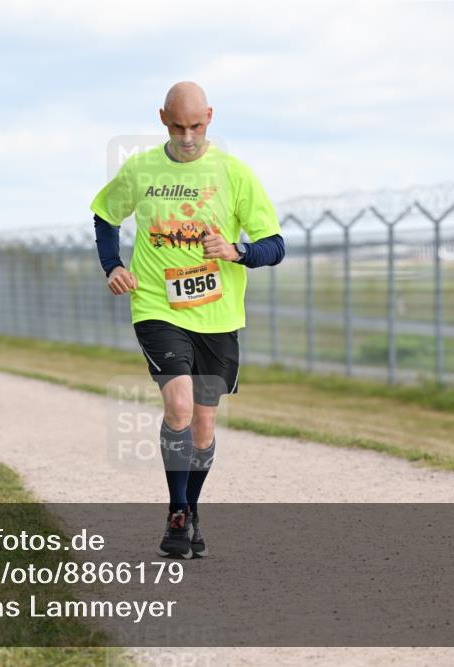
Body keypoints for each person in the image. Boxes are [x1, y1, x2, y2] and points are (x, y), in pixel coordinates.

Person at [90, 82, 285, 559]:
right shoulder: (140, 169)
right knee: (179, 405)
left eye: (196, 125)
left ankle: (191, 509)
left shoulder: (235, 174)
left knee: (203, 425)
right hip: (157, 305)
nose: (188, 136)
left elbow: (275, 246)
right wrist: (113, 264)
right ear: (163, 119)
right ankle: (177, 513)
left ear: (210, 118)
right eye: (178, 126)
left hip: (218, 315)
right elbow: (103, 214)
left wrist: (238, 251)